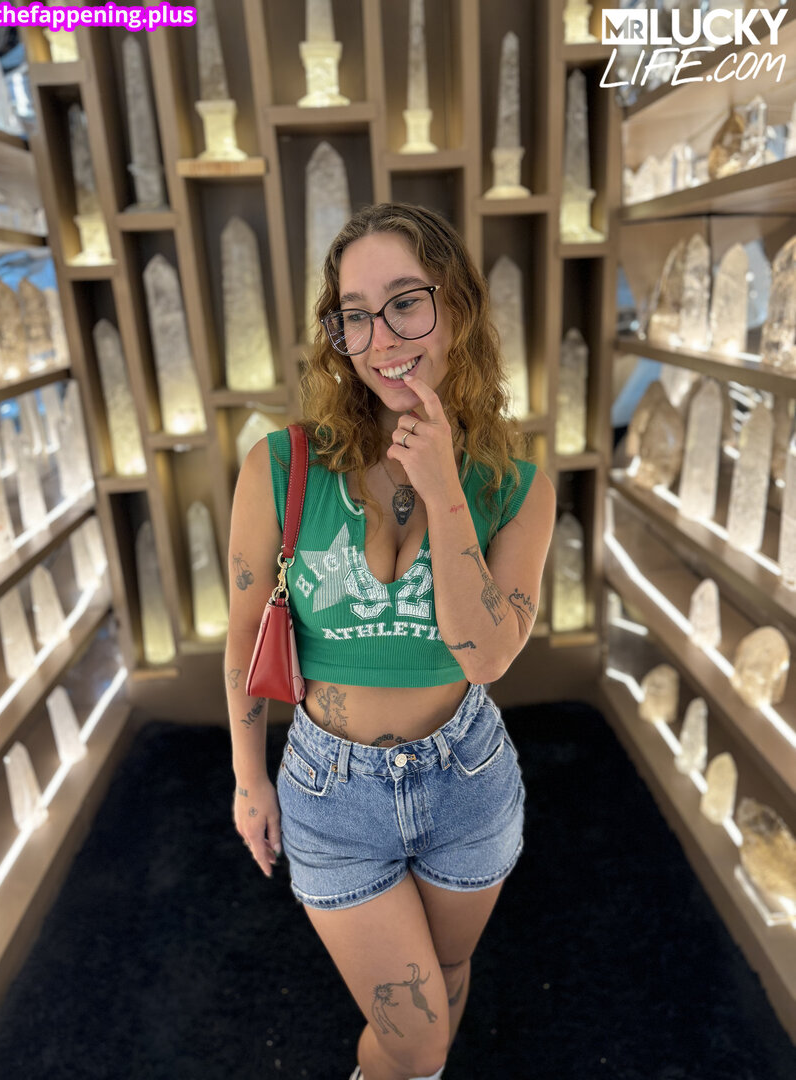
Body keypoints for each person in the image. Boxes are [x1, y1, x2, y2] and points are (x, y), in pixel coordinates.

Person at [225, 203, 556, 1080]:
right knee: (414, 1039)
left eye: (407, 302)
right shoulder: (280, 464)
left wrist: (442, 483)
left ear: (458, 307)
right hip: (330, 791)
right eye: (356, 315)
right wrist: (249, 778)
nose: (381, 338)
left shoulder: (518, 487)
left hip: (468, 780)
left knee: (446, 976)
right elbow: (244, 636)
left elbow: (486, 657)